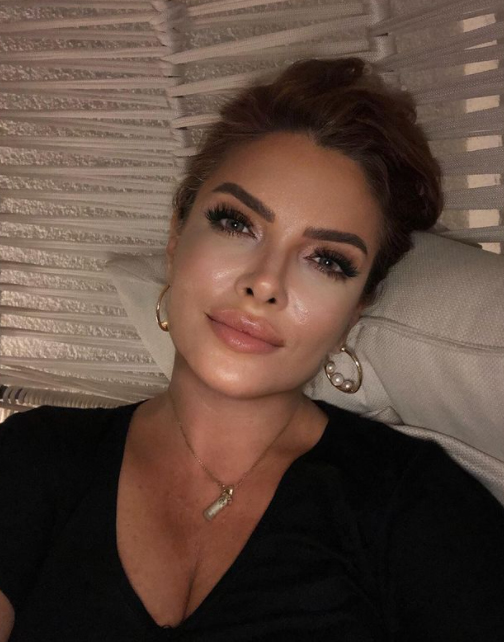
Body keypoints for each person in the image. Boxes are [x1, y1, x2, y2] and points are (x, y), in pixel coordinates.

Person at [1, 57, 504, 641]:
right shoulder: (33, 457)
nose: (265, 283)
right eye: (237, 224)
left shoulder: (418, 506)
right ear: (176, 236)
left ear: (356, 310)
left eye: (327, 260)